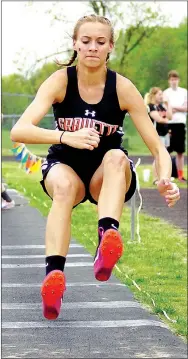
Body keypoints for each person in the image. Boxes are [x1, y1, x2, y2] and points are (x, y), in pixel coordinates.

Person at [10, 14, 180, 321]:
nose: (92, 47)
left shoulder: (123, 88)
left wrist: (164, 177)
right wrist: (65, 136)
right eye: (85, 41)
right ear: (75, 44)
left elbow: (157, 147)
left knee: (116, 157)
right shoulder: (60, 80)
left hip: (107, 176)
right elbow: (19, 130)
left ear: (110, 47)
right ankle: (54, 277)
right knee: (62, 188)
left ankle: (108, 237)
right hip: (67, 166)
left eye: (100, 42)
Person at [163, 70, 188, 182]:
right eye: (172, 79)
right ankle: (165, 175)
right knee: (166, 151)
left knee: (180, 151)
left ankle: (180, 175)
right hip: (169, 124)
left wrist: (173, 108)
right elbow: (165, 109)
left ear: (178, 80)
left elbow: (185, 108)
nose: (174, 81)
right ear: (169, 81)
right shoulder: (166, 93)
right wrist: (177, 108)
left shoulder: (184, 92)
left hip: (180, 123)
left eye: (175, 79)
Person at [144, 87, 172, 184]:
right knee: (158, 156)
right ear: (153, 95)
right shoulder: (150, 106)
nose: (161, 96)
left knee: (164, 155)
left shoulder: (161, 107)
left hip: (164, 133)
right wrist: (166, 120)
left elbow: (170, 116)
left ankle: (162, 177)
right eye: (159, 94)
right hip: (156, 134)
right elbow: (159, 119)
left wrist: (168, 105)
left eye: (162, 94)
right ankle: (155, 178)